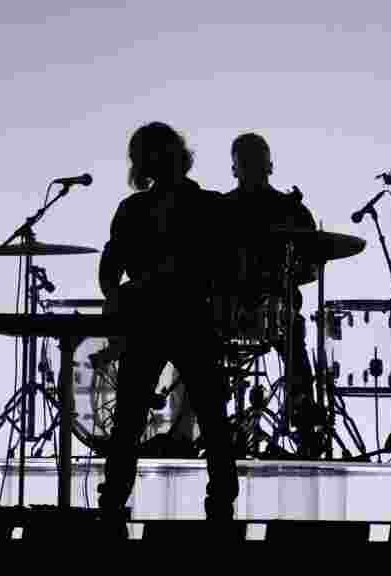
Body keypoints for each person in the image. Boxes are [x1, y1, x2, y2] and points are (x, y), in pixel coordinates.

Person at [97, 122, 239, 529]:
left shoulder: (133, 209)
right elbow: (227, 271)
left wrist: (121, 299)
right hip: (191, 317)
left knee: (130, 418)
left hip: (150, 318)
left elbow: (110, 271)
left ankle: (113, 503)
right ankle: (221, 508)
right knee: (211, 417)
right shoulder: (211, 206)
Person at [221, 132, 324, 458]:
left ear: (270, 166)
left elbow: (312, 265)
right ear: (236, 169)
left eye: (257, 163)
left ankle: (303, 420)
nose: (253, 169)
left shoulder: (292, 209)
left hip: (277, 309)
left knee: (292, 336)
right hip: (229, 309)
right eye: (247, 163)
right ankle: (304, 427)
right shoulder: (220, 209)